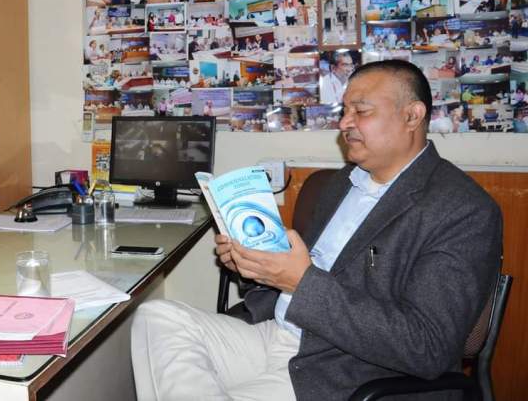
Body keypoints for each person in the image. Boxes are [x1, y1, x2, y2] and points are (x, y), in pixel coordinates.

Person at [131, 60, 502, 400]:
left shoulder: (462, 210)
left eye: (361, 111)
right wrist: (254, 265)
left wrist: (300, 282)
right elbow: (298, 273)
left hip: (346, 368)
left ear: (412, 115)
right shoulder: (341, 183)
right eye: (345, 111)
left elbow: (427, 347)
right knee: (156, 317)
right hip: (278, 331)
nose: (344, 123)